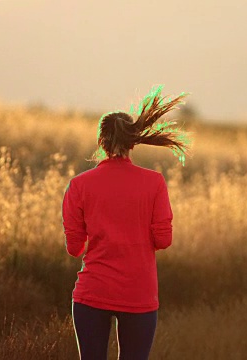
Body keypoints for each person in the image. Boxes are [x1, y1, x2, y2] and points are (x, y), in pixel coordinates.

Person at [62, 85, 192, 360]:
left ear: (101, 142)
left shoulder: (78, 185)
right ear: (133, 142)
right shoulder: (154, 183)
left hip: (91, 293)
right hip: (139, 294)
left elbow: (74, 248)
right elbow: (163, 241)